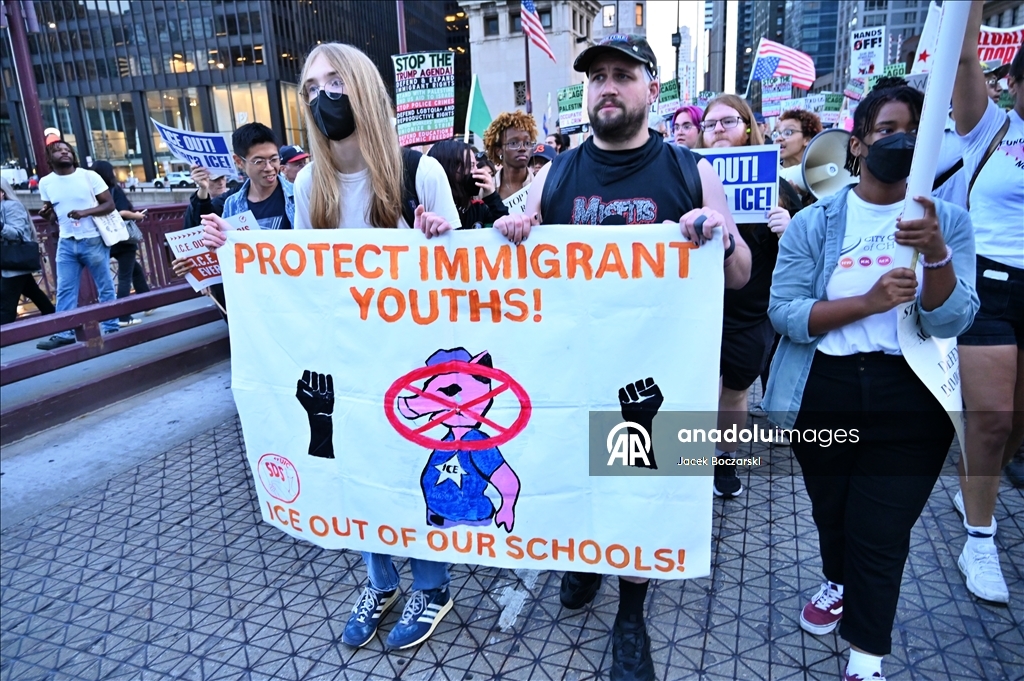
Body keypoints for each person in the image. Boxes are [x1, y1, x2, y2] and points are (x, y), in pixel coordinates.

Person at [492, 34, 751, 681]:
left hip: (648, 383)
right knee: (574, 474)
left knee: (639, 491)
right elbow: (513, 267)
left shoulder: (692, 171)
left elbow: (742, 272)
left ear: (648, 87)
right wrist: (517, 236)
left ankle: (630, 612)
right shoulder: (556, 174)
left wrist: (717, 239)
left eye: (622, 75)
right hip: (570, 371)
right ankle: (582, 558)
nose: (606, 86)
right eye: (596, 77)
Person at [201, 42, 461, 650]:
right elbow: (299, 276)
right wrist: (232, 250)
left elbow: (462, 279)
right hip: (345, 359)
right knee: (354, 468)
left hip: (410, 358)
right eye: (312, 88)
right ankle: (381, 579)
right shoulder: (311, 180)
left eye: (335, 82)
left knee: (407, 470)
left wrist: (441, 239)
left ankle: (432, 583)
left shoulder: (417, 171)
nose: (323, 97)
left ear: (365, 87)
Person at [764, 80, 978, 681]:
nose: (902, 140)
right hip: (825, 390)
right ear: (857, 145)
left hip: (910, 397)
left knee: (878, 532)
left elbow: (955, 317)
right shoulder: (816, 222)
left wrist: (935, 251)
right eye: (887, 130)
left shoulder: (949, 220)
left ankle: (866, 656)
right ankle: (836, 579)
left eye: (916, 130)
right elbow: (785, 313)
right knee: (833, 513)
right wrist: (866, 301)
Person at [949, 4, 1024, 605]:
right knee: (991, 420)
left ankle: (981, 478)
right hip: (992, 286)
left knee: (1014, 424)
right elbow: (965, 53)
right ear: (1013, 84)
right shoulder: (990, 128)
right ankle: (979, 536)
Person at [696, 95, 801, 498]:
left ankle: (724, 462)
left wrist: (788, 230)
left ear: (748, 127)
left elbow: (800, 262)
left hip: (748, 312)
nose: (718, 129)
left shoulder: (779, 188)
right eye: (710, 124)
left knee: (734, 393)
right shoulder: (688, 178)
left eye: (728, 121)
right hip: (696, 309)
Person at [35, 140, 120, 350]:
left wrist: (85, 212)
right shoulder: (45, 183)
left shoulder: (88, 176)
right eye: (58, 151)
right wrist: (48, 216)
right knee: (64, 289)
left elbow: (110, 205)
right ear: (50, 158)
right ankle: (64, 332)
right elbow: (55, 216)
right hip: (66, 241)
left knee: (105, 285)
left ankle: (111, 327)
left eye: (67, 150)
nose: (64, 153)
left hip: (92, 239)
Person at [90, 161, 151, 327]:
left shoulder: (91, 193)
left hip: (105, 238)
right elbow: (121, 212)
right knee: (125, 277)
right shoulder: (113, 190)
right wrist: (136, 216)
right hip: (123, 239)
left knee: (135, 270)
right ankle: (123, 316)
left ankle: (148, 302)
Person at [1, 177, 54, 324]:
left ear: (2, 192)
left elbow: (18, 234)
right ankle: (54, 317)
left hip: (12, 261)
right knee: (32, 291)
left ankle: (5, 338)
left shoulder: (12, 206)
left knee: (5, 305)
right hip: (8, 262)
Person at [428, 139, 508, 229]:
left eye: (475, 166)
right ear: (450, 169)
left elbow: (507, 227)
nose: (477, 172)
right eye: (471, 166)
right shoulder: (429, 214)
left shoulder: (478, 209)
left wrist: (492, 196)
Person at [483, 111, 538, 200]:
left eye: (527, 143)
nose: (522, 148)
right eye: (513, 143)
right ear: (498, 150)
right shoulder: (485, 190)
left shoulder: (542, 185)